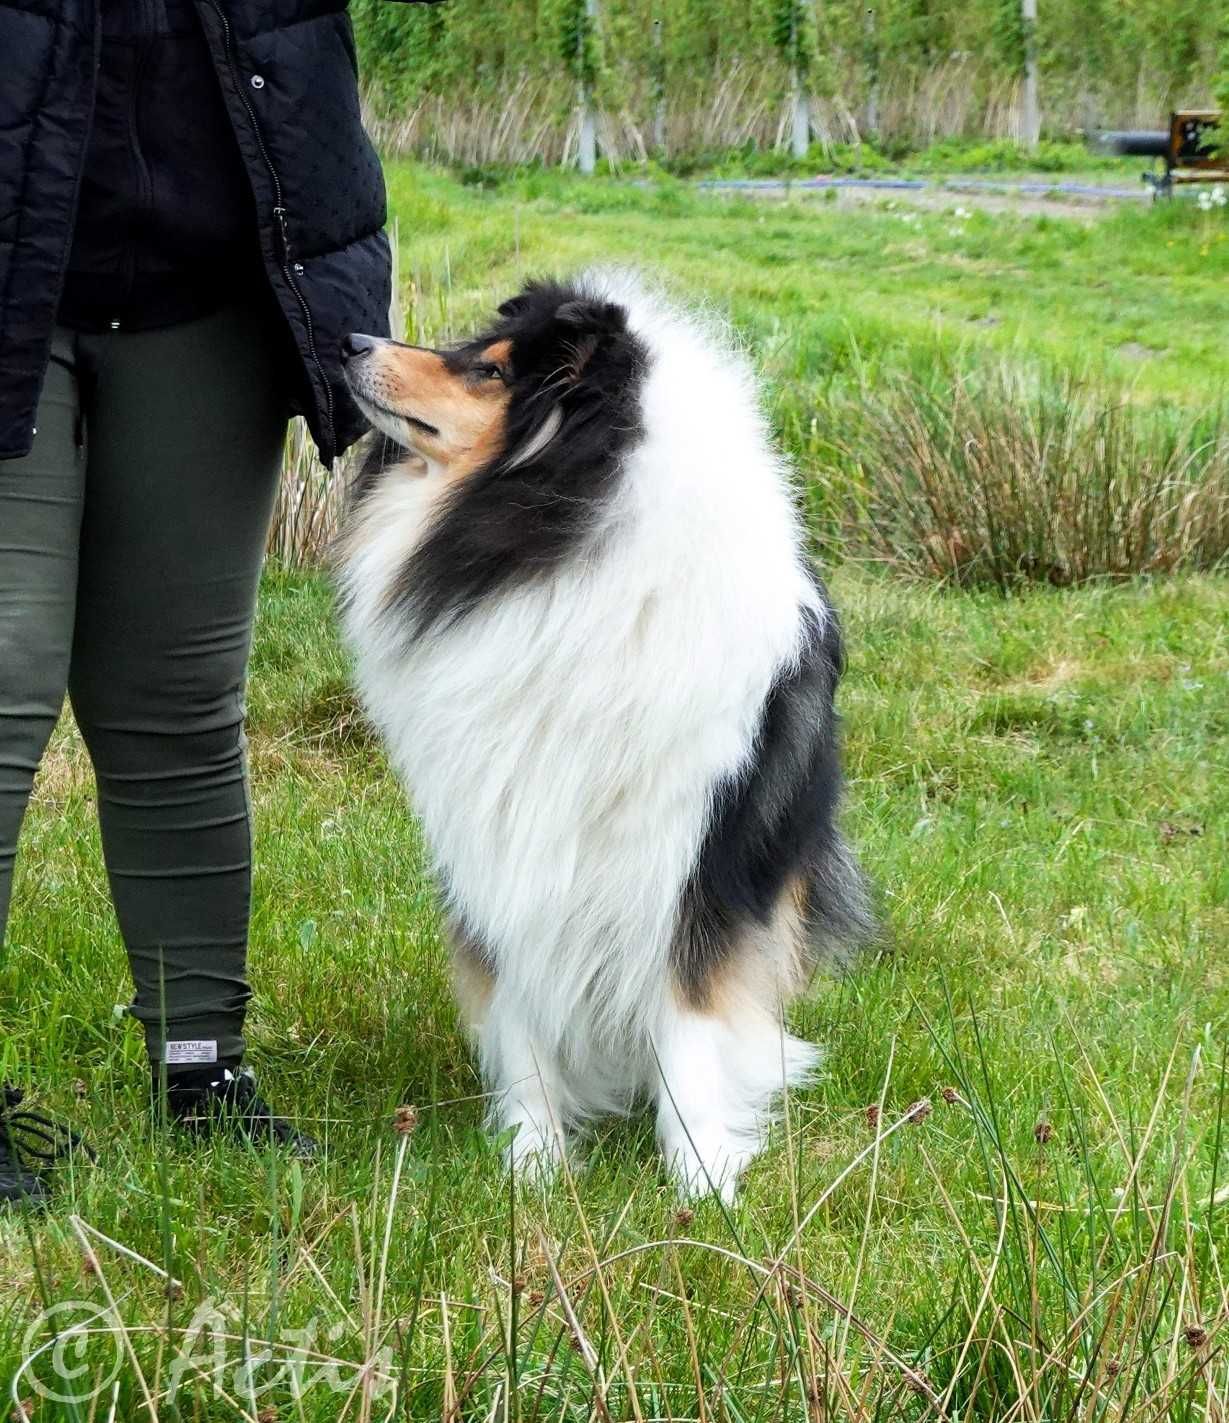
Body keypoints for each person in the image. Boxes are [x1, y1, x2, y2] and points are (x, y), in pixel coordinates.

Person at [0, 0, 439, 1206]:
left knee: (177, 702)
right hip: (10, 272)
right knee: (3, 675)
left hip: (218, 275)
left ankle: (201, 1073)